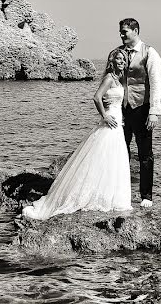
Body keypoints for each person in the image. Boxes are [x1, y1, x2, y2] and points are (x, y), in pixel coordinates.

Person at [22, 49, 133, 220]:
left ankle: (111, 197)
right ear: (112, 61)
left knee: (113, 160)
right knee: (102, 158)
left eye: (124, 59)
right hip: (110, 122)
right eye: (118, 59)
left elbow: (121, 102)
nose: (121, 62)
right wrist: (104, 116)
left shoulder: (121, 80)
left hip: (118, 123)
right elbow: (97, 97)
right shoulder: (109, 78)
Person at [106, 17, 161, 208]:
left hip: (142, 108)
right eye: (120, 32)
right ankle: (120, 192)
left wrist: (154, 111)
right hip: (121, 110)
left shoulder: (150, 53)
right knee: (120, 151)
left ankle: (146, 196)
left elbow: (155, 84)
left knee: (145, 153)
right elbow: (110, 78)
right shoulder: (117, 53)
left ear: (135, 31)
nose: (121, 35)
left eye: (125, 32)